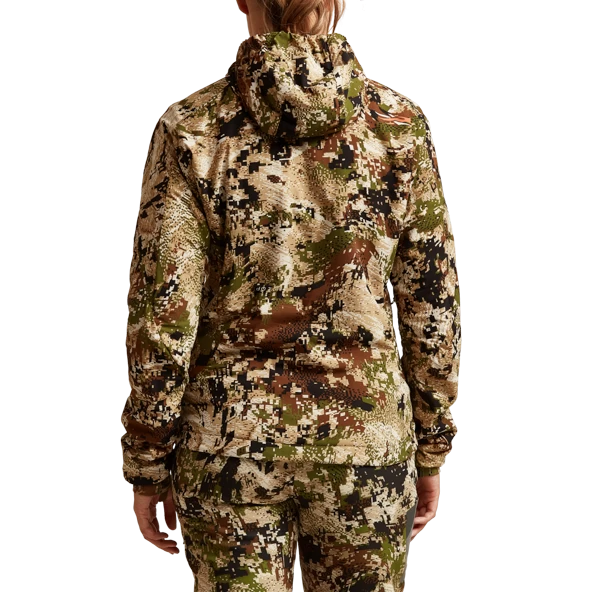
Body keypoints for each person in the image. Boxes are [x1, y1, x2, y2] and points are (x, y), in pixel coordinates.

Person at [119, 0, 462, 589]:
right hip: (365, 442)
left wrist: (148, 458)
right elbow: (433, 302)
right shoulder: (399, 126)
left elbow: (162, 314)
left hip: (228, 446)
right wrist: (431, 444)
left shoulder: (192, 128)